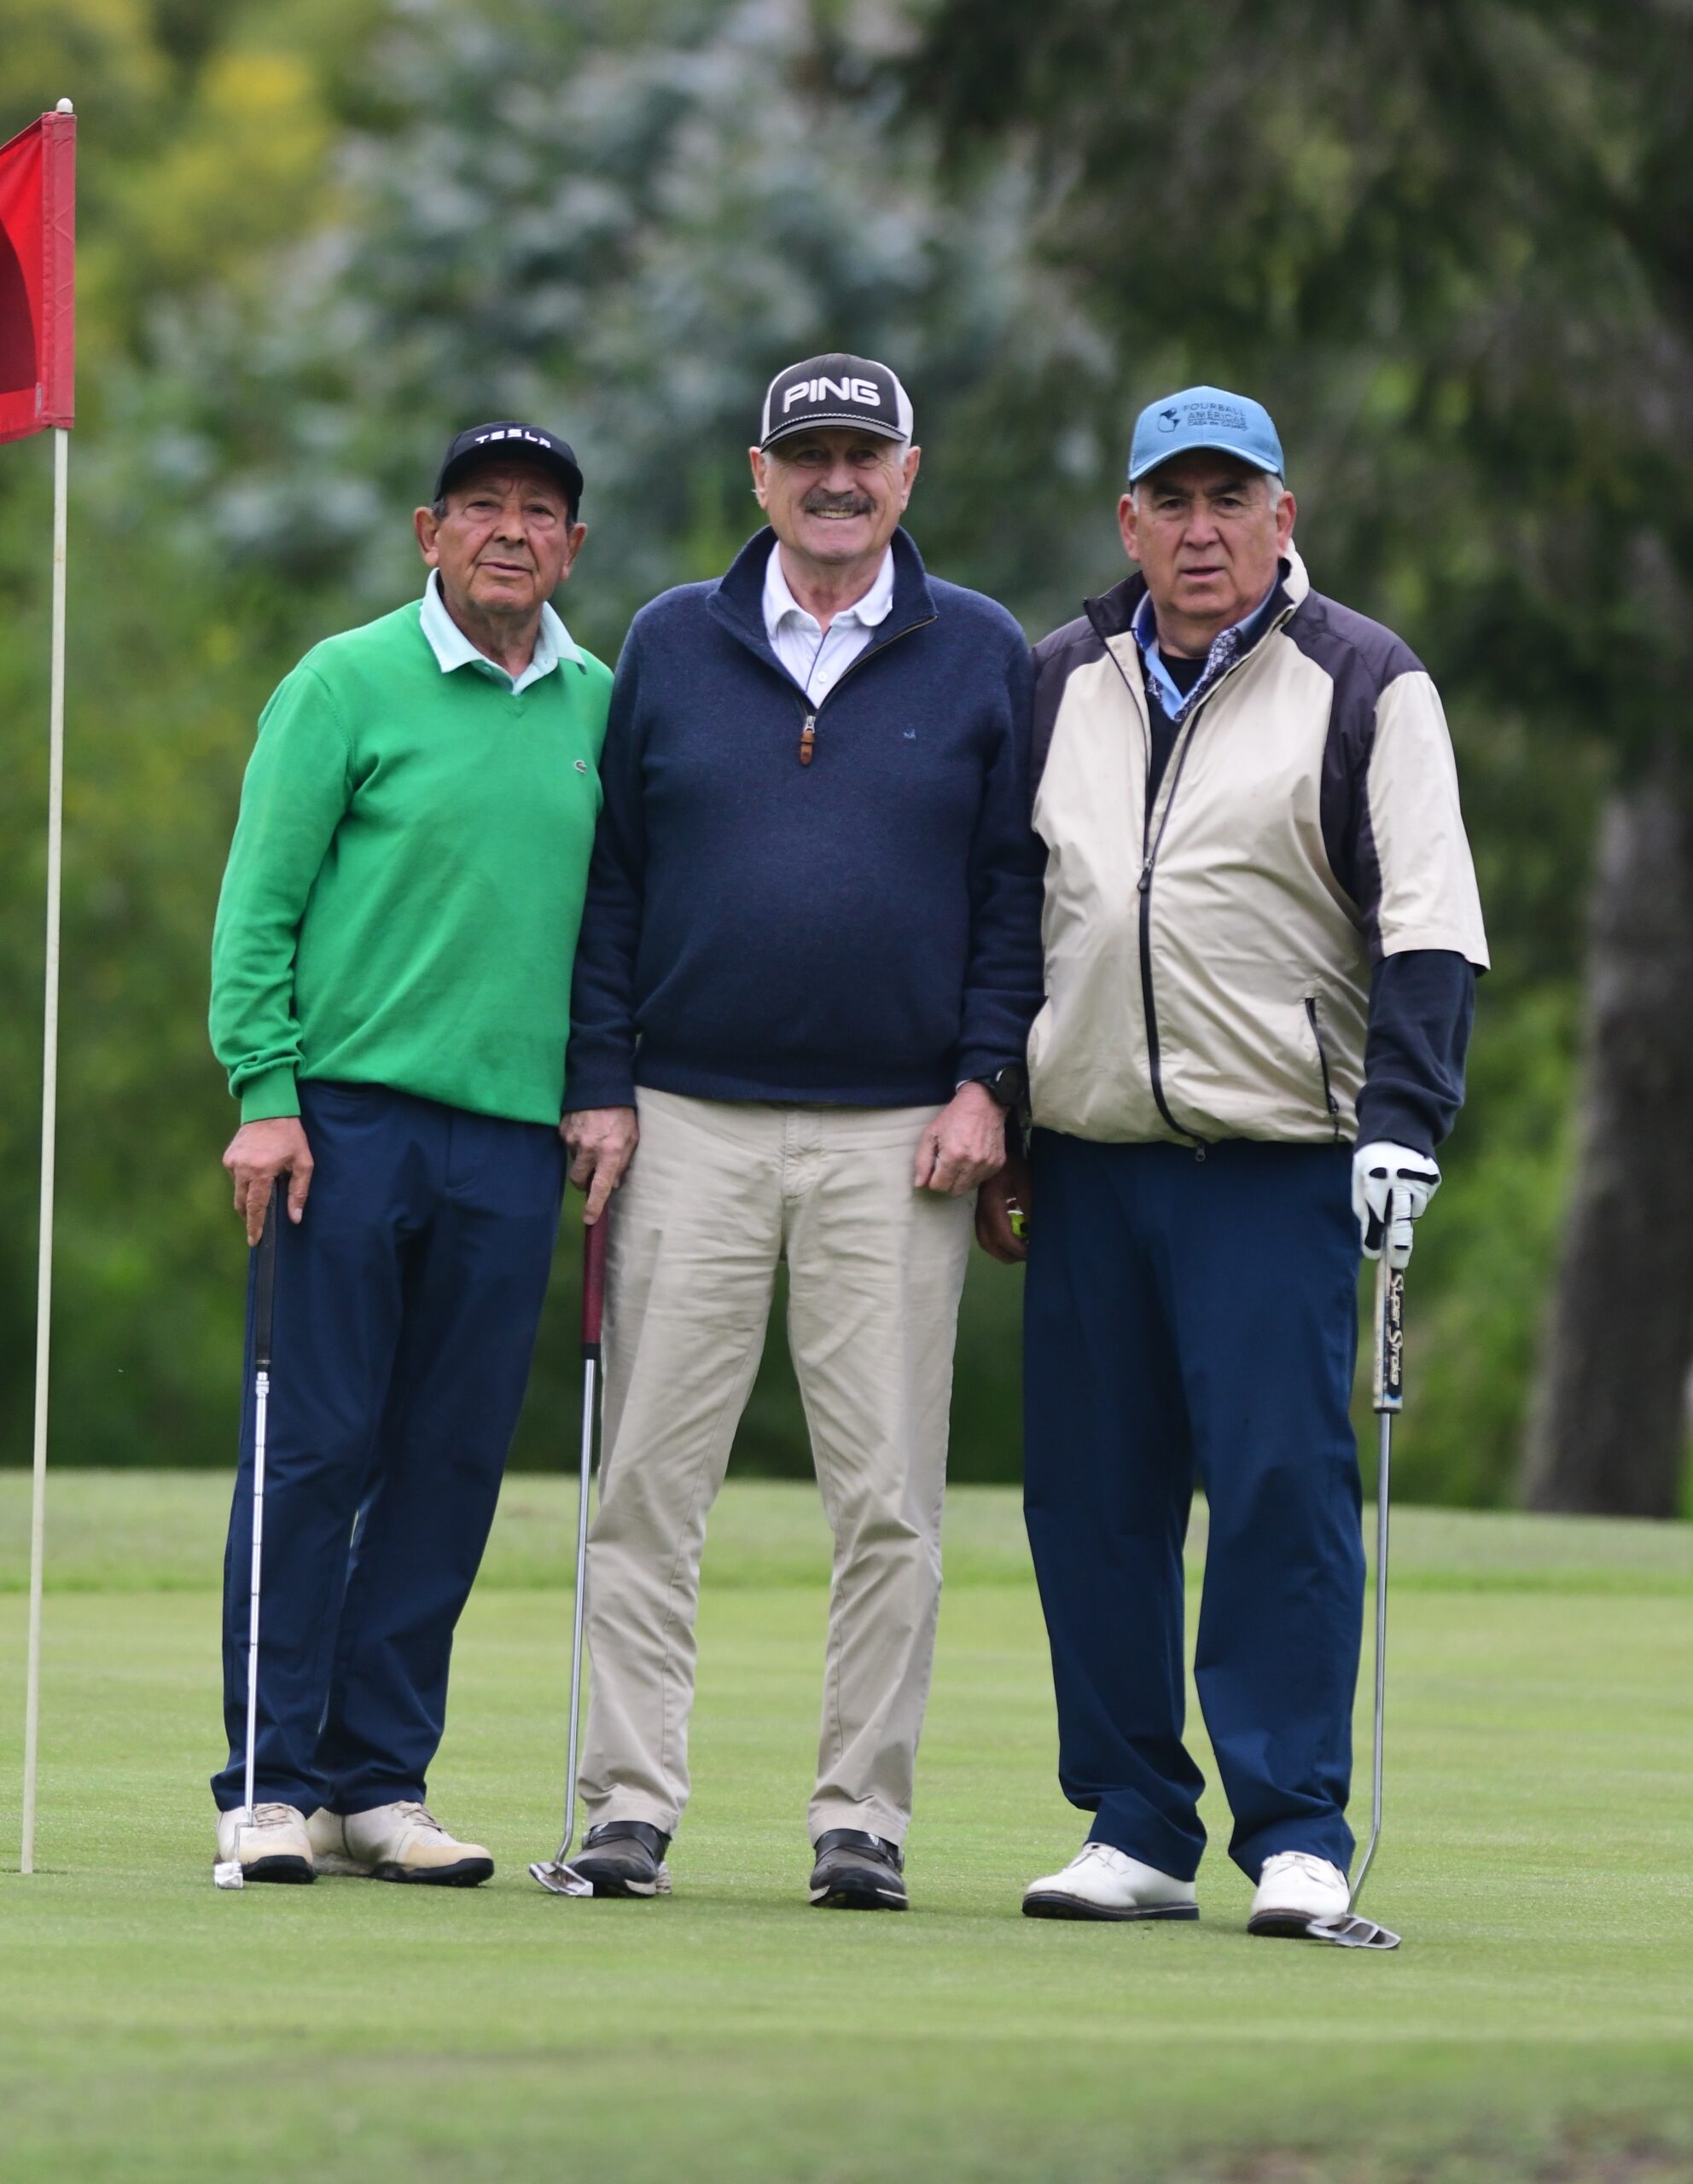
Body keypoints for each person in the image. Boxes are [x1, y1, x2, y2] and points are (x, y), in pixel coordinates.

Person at [979, 386, 1487, 1936]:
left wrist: (1405, 1119)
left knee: (1278, 1492)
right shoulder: (1059, 677)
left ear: (1283, 516)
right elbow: (1011, 921)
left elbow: (1429, 919)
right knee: (1093, 1502)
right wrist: (999, 1106)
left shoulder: (1366, 678)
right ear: (1129, 522)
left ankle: (1297, 1831)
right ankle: (1133, 1822)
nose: (1202, 533)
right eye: (1173, 503)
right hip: (1089, 1158)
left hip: (1275, 1160)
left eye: (1231, 500)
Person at [560, 353, 1044, 1910]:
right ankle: (627, 1803)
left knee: (889, 1498)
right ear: (760, 475)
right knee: (649, 1482)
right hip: (683, 1118)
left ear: (909, 475)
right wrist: (599, 1080)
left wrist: (989, 1082)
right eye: (808, 454)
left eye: (864, 455)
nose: (837, 480)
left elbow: (1013, 896)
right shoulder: (670, 639)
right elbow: (613, 883)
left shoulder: (982, 652)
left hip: (902, 1133)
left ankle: (862, 1820)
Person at [207, 422, 611, 1885]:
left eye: (541, 512)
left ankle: (378, 1782)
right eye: (482, 506)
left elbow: (613, 930)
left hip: (511, 1140)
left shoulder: (598, 701)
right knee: (316, 1449)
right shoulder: (344, 680)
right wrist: (265, 1089)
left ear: (572, 547)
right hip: (344, 1125)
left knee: (447, 1464)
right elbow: (260, 903)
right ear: (429, 533)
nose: (513, 531)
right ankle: (269, 1782)